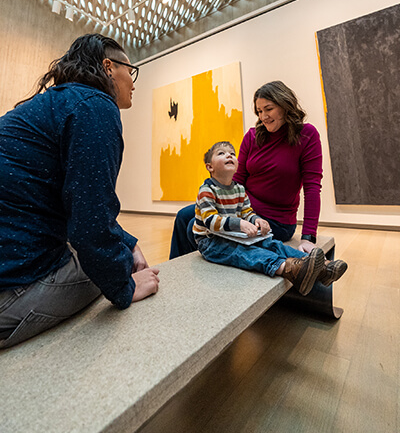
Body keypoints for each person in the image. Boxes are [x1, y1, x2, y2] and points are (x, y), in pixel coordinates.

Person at [0, 34, 159, 348]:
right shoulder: (96, 106)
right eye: (132, 69)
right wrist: (124, 286)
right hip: (11, 286)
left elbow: (79, 202)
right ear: (108, 67)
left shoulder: (55, 102)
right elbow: (89, 225)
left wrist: (128, 242)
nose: (133, 80)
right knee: (101, 266)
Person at [169, 81, 323, 258]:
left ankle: (212, 267)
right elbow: (238, 179)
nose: (263, 116)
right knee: (183, 217)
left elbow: (312, 188)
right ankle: (175, 273)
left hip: (275, 219)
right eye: (259, 111)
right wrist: (215, 200)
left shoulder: (307, 135)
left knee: (194, 226)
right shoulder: (252, 136)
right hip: (240, 207)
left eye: (268, 109)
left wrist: (308, 237)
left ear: (284, 105)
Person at [193, 141, 347, 294]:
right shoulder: (206, 190)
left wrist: (256, 220)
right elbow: (210, 221)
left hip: (233, 236)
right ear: (210, 167)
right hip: (211, 242)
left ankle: (323, 267)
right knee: (247, 253)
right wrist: (240, 223)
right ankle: (292, 270)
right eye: (221, 153)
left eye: (232, 153)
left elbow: (247, 212)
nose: (229, 155)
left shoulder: (239, 189)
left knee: (272, 244)